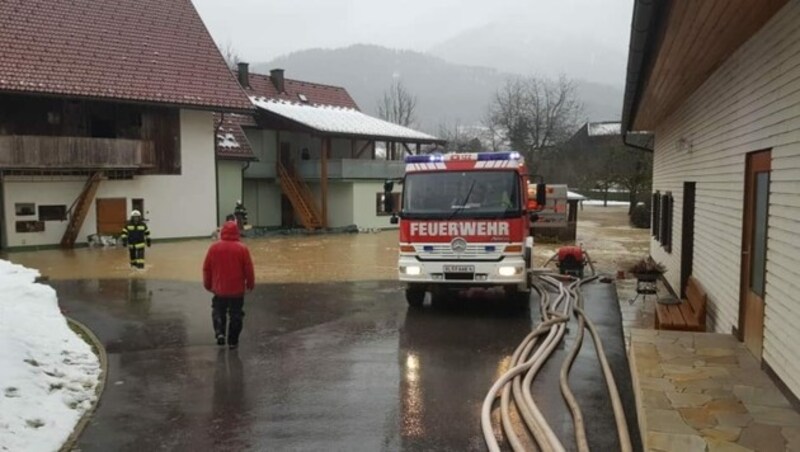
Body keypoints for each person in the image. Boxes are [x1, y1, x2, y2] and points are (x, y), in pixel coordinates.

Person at [203, 220, 255, 349]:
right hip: (237, 290)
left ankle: (220, 332)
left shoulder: (214, 248)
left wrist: (208, 284)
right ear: (236, 232)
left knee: (218, 311)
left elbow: (206, 268)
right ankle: (233, 341)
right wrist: (250, 284)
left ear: (222, 232)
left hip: (219, 289)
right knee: (236, 314)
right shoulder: (242, 248)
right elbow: (248, 269)